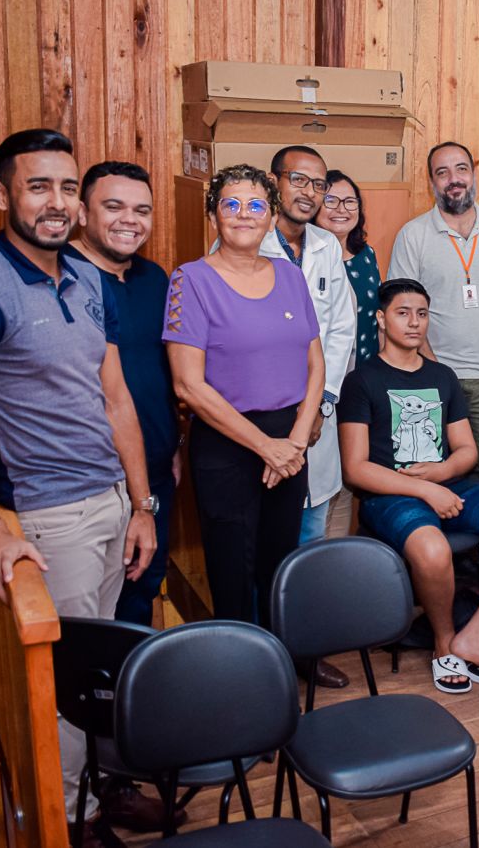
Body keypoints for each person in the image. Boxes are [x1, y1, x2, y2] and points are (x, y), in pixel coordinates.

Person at [0, 129, 160, 847]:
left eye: (65, 187)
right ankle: (76, 820)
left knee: (104, 671)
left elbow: (116, 399)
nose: (56, 203)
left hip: (113, 503)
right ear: (2, 195)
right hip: (48, 518)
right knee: (62, 685)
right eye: (38, 187)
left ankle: (106, 784)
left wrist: (142, 504)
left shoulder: (90, 281)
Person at [338, 279, 479, 699]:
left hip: (451, 485)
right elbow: (356, 469)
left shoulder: (441, 376)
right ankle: (444, 643)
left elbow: (466, 451)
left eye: (422, 314)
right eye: (403, 313)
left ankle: (477, 635)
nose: (414, 322)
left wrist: (442, 473)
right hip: (389, 495)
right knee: (432, 549)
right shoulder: (361, 380)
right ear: (381, 319)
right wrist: (426, 491)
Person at [165, 164, 324, 631]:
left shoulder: (289, 276)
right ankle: (239, 667)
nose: (243, 214)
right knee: (233, 571)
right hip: (227, 444)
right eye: (230, 204)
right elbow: (188, 385)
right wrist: (265, 447)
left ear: (271, 217)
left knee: (281, 567)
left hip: (289, 443)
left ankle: (284, 659)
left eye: (256, 205)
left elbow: (316, 364)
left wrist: (294, 442)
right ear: (213, 215)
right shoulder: (189, 280)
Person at [66, 161, 178, 630]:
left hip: (155, 471)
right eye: (113, 207)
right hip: (89, 481)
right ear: (81, 212)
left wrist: (173, 445)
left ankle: (130, 680)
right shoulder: (60, 278)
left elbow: (164, 369)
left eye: (141, 210)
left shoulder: (155, 279)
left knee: (141, 590)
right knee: (88, 616)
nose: (129, 220)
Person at [389, 141, 479, 479]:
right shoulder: (413, 235)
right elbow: (403, 310)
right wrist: (433, 370)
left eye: (461, 169)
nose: (454, 179)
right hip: (430, 375)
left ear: (473, 174)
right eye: (443, 172)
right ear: (432, 182)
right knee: (430, 465)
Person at [259, 147, 355, 558]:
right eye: (298, 180)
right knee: (266, 533)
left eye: (319, 184)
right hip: (264, 409)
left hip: (318, 410)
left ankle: (304, 600)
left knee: (312, 528)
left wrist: (321, 404)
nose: (309, 192)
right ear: (273, 182)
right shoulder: (246, 239)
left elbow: (342, 326)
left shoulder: (326, 245)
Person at [315, 169, 381, 363]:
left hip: (366, 368)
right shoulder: (304, 257)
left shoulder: (366, 254)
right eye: (330, 201)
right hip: (322, 370)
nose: (341, 209)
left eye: (350, 201)